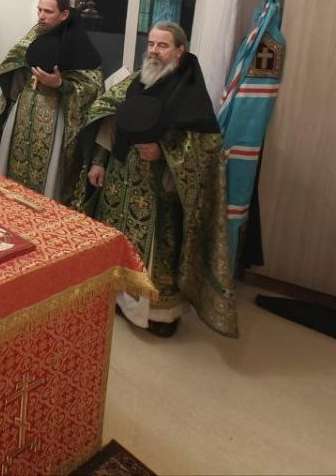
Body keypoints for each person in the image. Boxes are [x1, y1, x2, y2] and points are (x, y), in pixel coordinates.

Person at [69, 22, 236, 337]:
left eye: (163, 45)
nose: (154, 51)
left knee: (156, 250)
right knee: (117, 239)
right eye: (151, 44)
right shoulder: (136, 79)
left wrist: (163, 151)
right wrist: (99, 161)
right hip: (120, 176)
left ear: (180, 50)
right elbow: (109, 117)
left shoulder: (189, 89)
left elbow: (204, 145)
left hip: (158, 186)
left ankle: (159, 314)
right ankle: (118, 298)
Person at [0, 0, 103, 200]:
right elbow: (12, 63)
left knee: (47, 175)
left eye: (48, 11)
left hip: (54, 116)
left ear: (64, 14)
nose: (41, 16)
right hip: (23, 111)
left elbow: (92, 87)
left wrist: (60, 84)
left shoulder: (77, 42)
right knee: (13, 166)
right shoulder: (34, 35)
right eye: (39, 10)